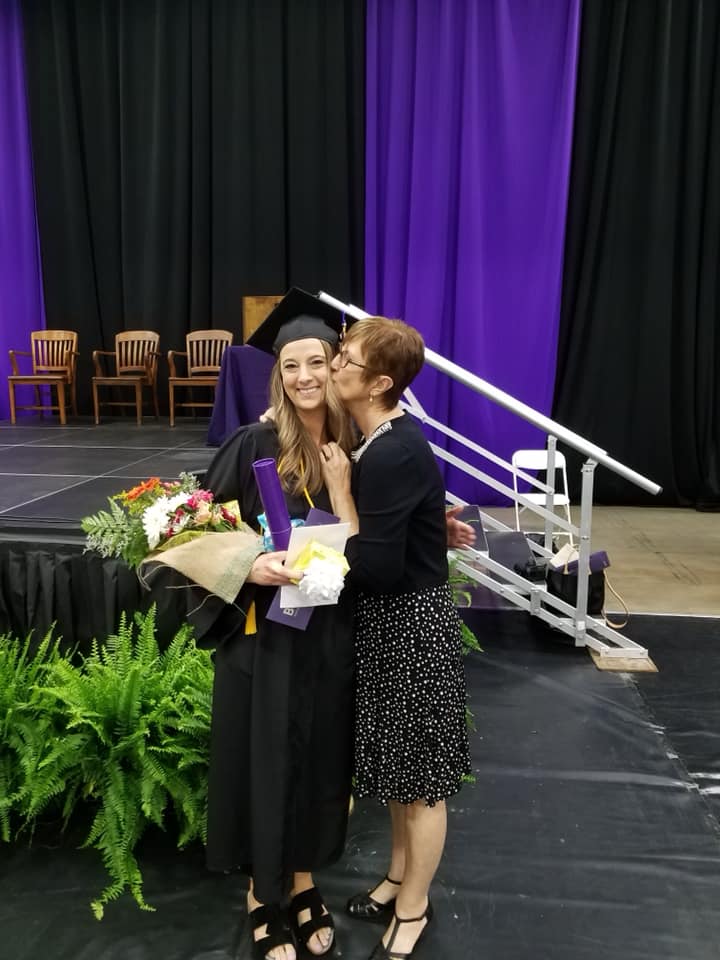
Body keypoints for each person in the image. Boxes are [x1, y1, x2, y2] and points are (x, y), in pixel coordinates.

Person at [200, 289, 357, 960]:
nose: (304, 378)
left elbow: (368, 539)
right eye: (291, 366)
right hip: (266, 640)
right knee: (264, 761)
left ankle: (301, 880)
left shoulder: (354, 448)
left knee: (318, 760)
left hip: (327, 636)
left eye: (316, 363)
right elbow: (197, 531)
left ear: (335, 366)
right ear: (277, 374)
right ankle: (262, 895)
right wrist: (252, 564)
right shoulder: (254, 442)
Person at [320, 317, 472, 960]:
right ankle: (395, 877)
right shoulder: (389, 440)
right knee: (397, 773)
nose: (331, 367)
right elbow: (407, 529)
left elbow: (376, 565)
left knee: (421, 782)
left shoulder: (387, 451)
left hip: (408, 626)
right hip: (397, 623)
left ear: (380, 382)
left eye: (344, 359)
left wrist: (340, 496)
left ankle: (414, 907)